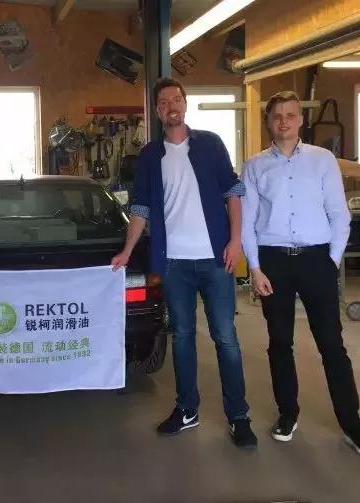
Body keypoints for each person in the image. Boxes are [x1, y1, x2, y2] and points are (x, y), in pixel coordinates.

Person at [112, 78, 257, 448]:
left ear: (185, 104)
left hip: (215, 260)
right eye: (163, 102)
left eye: (176, 99)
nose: (171, 106)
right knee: (182, 337)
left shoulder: (210, 144)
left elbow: (233, 192)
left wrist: (235, 241)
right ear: (158, 110)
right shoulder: (149, 156)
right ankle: (187, 409)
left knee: (225, 337)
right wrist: (127, 251)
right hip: (175, 264)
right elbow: (140, 208)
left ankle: (238, 416)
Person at [241, 91, 360, 457]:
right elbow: (247, 221)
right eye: (277, 116)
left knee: (332, 344)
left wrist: (330, 261)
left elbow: (339, 214)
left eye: (290, 115)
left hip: (317, 260)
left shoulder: (322, 160)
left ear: (300, 120)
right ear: (268, 121)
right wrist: (254, 267)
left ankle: (352, 425)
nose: (283, 121)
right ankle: (287, 415)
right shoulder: (254, 166)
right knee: (279, 343)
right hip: (273, 263)